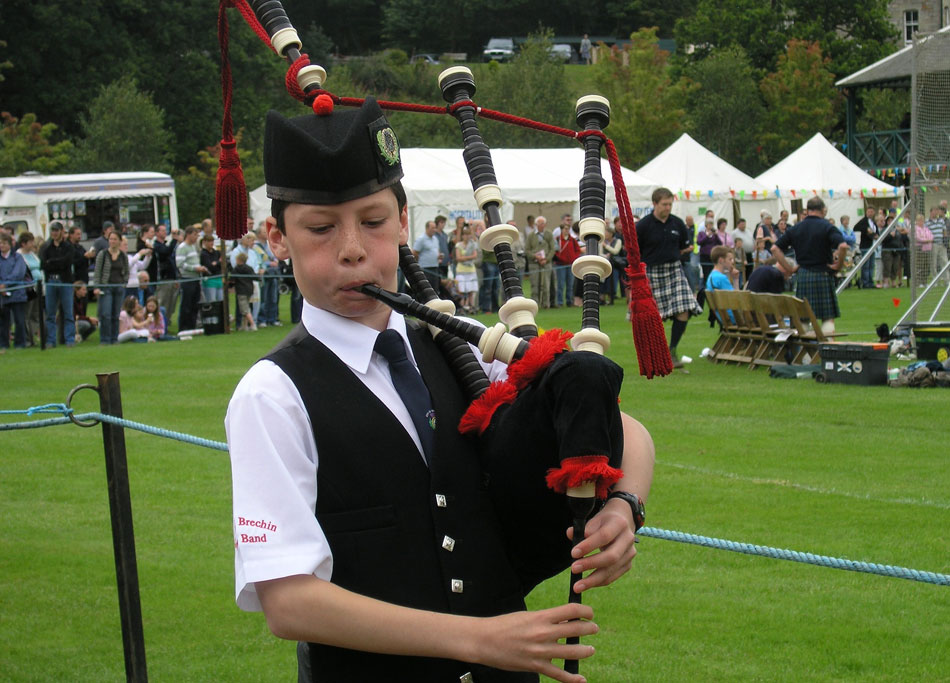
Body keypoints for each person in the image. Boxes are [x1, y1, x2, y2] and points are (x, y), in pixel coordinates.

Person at [227, 99, 653, 683]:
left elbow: (625, 429)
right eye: (321, 228)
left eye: (373, 222)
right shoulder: (272, 395)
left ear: (403, 221)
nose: (352, 248)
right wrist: (477, 639)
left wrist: (626, 507)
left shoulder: (456, 346)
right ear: (278, 238)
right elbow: (289, 600)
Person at [635, 187, 702, 367]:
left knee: (683, 311)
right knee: (652, 317)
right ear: (654, 204)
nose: (668, 207)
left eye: (670, 204)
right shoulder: (643, 226)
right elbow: (634, 251)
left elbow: (683, 247)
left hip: (674, 271)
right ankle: (655, 355)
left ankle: (672, 350)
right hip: (651, 273)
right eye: (664, 204)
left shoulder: (677, 224)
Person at [770, 196, 848, 334]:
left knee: (804, 318)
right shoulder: (828, 226)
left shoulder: (796, 228)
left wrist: (790, 269)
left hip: (804, 275)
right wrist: (838, 266)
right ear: (823, 210)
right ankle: (827, 349)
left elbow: (774, 249)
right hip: (823, 273)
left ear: (808, 210)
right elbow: (842, 246)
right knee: (827, 318)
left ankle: (806, 354)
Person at [38, 221, 76, 347]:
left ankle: (69, 339)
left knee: (68, 313)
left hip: (65, 281)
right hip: (51, 281)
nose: (54, 233)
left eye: (56, 230)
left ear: (61, 231)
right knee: (50, 313)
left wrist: (52, 262)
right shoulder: (46, 247)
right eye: (52, 231)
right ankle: (51, 340)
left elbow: (67, 262)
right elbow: (43, 265)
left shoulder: (68, 247)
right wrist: (54, 263)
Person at [93, 230, 130, 345]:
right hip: (106, 287)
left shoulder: (123, 256)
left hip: (118, 287)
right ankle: (105, 339)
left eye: (115, 239)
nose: (112, 241)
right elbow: (97, 271)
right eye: (111, 239)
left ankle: (114, 338)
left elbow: (126, 271)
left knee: (116, 315)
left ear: (119, 241)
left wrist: (124, 282)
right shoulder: (103, 254)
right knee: (105, 314)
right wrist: (97, 287)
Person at [0, 232, 29, 349]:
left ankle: (20, 343)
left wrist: (5, 284)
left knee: (19, 320)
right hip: (2, 295)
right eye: (0, 243)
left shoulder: (17, 257)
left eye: (4, 243)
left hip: (17, 293)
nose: (1, 245)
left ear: (10, 244)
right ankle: (3, 344)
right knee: (3, 321)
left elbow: (18, 273)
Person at [175, 225, 208, 331]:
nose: (196, 238)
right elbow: (180, 264)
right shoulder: (182, 247)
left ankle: (192, 326)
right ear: (188, 235)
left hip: (196, 279)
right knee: (186, 305)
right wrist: (195, 268)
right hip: (187, 279)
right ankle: (184, 327)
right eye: (194, 235)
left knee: (195, 304)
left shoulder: (193, 247)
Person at [17, 232, 42, 346]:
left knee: (35, 314)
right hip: (28, 289)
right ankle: (27, 339)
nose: (33, 244)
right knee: (27, 314)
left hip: (39, 287)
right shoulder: (18, 255)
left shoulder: (33, 254)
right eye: (30, 241)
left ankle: (33, 338)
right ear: (23, 243)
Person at [152, 224, 180, 327]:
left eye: (165, 230)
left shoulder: (164, 245)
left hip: (171, 278)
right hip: (164, 279)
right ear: (157, 233)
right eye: (162, 231)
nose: (165, 232)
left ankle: (166, 323)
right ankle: (159, 324)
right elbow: (166, 252)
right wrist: (174, 240)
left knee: (170, 304)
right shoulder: (157, 246)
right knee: (163, 303)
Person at [525, 215, 555, 309]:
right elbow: (527, 250)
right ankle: (535, 304)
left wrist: (547, 259)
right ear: (536, 224)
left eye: (543, 223)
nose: (541, 225)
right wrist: (536, 257)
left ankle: (546, 304)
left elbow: (552, 248)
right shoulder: (531, 235)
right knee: (535, 285)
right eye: (539, 223)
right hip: (534, 263)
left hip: (546, 263)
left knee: (546, 284)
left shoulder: (549, 234)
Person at [553, 221, 581, 307]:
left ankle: (569, 301)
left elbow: (578, 250)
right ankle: (560, 302)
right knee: (560, 284)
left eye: (568, 229)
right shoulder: (558, 239)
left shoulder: (572, 240)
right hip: (560, 264)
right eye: (565, 229)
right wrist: (561, 258)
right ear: (561, 230)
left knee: (570, 284)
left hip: (570, 265)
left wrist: (574, 258)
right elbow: (556, 251)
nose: (566, 231)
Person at [453, 224, 479, 313]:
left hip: (471, 270)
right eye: (465, 234)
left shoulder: (472, 245)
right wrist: (469, 257)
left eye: (468, 234)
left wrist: (464, 257)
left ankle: (471, 306)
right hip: (461, 271)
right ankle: (462, 306)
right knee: (462, 290)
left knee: (471, 290)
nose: (467, 236)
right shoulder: (458, 245)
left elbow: (475, 255)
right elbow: (458, 258)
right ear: (462, 235)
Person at [412, 220, 442, 294]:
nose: (434, 230)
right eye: (432, 228)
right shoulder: (421, 239)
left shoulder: (435, 239)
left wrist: (439, 256)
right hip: (425, 269)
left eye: (435, 228)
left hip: (435, 267)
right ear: (427, 228)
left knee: (434, 290)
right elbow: (415, 252)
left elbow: (436, 250)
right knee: (426, 290)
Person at [231, 251, 257, 331]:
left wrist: (228, 284)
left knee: (244, 309)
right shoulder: (249, 268)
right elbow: (255, 277)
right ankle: (244, 326)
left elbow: (232, 280)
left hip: (241, 291)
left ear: (239, 260)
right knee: (246, 307)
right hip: (249, 290)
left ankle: (253, 324)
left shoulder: (236, 269)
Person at [852, 207, 877, 289]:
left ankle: (870, 281)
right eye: (869, 211)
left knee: (871, 265)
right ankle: (865, 282)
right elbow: (855, 228)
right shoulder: (863, 221)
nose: (870, 213)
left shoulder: (873, 222)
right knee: (866, 266)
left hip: (873, 246)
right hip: (865, 246)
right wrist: (866, 229)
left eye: (872, 211)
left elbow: (875, 232)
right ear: (866, 212)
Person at [924, 206, 948, 284]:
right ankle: (935, 281)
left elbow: (944, 231)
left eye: (937, 211)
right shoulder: (927, 222)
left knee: (944, 262)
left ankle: (947, 280)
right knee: (933, 263)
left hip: (941, 243)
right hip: (933, 244)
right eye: (934, 211)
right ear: (931, 212)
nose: (936, 212)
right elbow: (925, 232)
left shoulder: (941, 221)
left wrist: (945, 241)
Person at [200, 234, 224, 303]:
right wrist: (218, 262)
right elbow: (209, 267)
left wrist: (216, 263)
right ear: (204, 242)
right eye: (209, 241)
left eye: (212, 241)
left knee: (221, 301)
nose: (211, 243)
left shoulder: (216, 252)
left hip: (219, 279)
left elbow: (223, 263)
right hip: (209, 281)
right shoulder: (203, 254)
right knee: (211, 302)